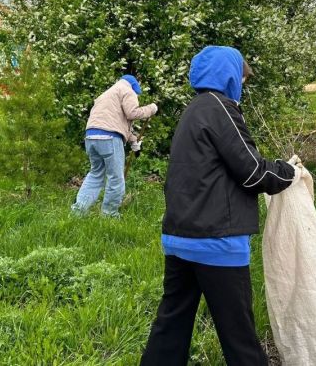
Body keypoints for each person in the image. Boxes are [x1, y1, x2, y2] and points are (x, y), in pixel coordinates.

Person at [141, 46, 298, 366]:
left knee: (171, 326)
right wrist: (288, 171)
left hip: (178, 238)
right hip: (217, 241)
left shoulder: (193, 110)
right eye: (241, 78)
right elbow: (253, 172)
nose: (241, 85)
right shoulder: (221, 109)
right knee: (239, 336)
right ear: (229, 76)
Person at [71, 74, 157, 217]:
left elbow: (115, 122)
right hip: (110, 138)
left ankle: (78, 212)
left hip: (91, 137)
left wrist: (134, 141)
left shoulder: (106, 94)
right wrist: (151, 109)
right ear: (134, 87)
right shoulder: (127, 90)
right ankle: (109, 215)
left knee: (95, 174)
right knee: (115, 178)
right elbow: (132, 113)